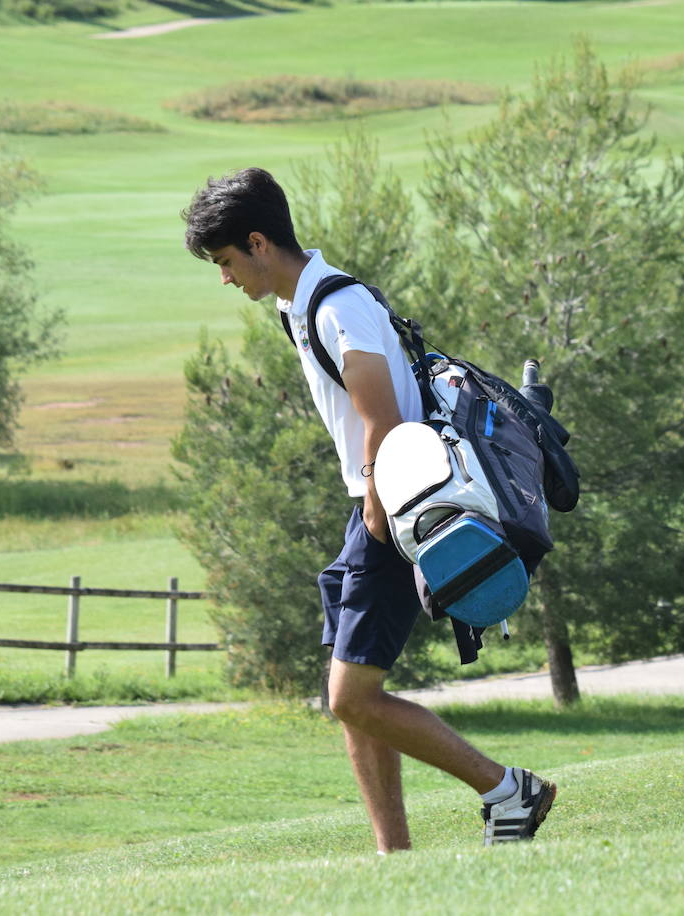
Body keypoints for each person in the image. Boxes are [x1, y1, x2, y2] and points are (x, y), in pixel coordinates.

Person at [181, 167, 556, 851]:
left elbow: (378, 414)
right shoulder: (301, 304)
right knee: (352, 693)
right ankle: (394, 855)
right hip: (377, 505)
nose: (226, 278)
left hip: (394, 510)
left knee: (351, 697)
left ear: (259, 242)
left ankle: (509, 791)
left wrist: (380, 520)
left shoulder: (335, 308)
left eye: (227, 262)